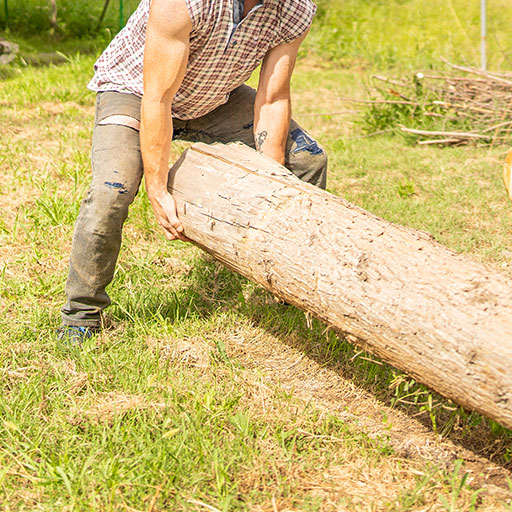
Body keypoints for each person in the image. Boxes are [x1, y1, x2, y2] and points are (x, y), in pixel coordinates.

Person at [57, 0, 327, 344]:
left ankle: (286, 282)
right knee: (113, 190)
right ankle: (81, 314)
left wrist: (270, 183)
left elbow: (272, 99)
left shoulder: (295, 8)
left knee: (307, 159)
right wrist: (157, 189)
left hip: (213, 96)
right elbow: (159, 97)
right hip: (137, 93)